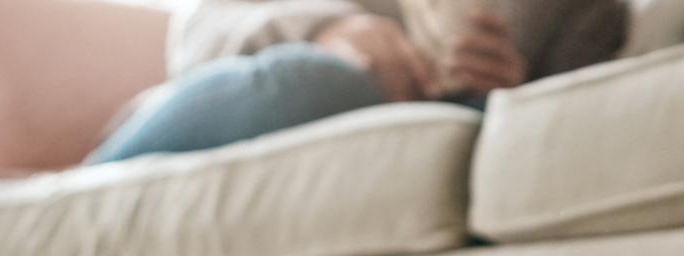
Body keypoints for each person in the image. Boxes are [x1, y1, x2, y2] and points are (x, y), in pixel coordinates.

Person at [88, 0, 625, 164]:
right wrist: (330, 28)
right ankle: (81, 186)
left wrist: (514, 90)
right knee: (318, 79)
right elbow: (196, 36)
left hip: (432, 133)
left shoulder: (579, 11)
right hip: (242, 105)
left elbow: (566, 132)